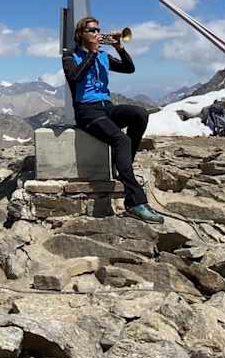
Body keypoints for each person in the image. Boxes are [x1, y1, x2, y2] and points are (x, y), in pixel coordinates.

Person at [62, 16, 163, 224]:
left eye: (98, 29)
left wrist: (119, 47)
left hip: (106, 107)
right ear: (81, 34)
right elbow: (74, 77)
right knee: (121, 140)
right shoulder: (70, 56)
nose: (97, 33)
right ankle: (135, 203)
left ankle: (124, 165)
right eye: (92, 30)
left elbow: (129, 68)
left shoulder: (103, 55)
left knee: (139, 114)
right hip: (86, 111)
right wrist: (91, 53)